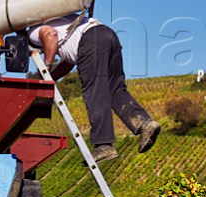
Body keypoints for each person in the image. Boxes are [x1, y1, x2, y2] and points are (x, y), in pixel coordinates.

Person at [28, 14, 161, 163]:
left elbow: (50, 35)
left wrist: (45, 65)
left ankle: (104, 145)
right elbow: (69, 62)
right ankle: (144, 124)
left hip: (90, 42)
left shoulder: (33, 32)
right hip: (107, 35)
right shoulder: (58, 19)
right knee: (115, 90)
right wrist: (49, 77)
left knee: (95, 91)